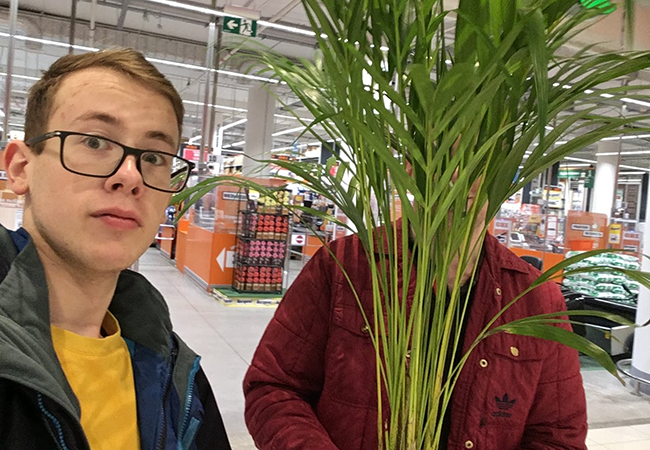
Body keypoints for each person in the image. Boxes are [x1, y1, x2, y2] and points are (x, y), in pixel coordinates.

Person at [0, 48, 230, 450]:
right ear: (21, 168)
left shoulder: (176, 372)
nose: (130, 176)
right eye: (94, 141)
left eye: (154, 157)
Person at [244, 185, 588, 449]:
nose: (460, 173)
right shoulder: (344, 267)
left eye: (479, 152)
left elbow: (559, 435)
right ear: (411, 159)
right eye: (443, 147)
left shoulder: (536, 298)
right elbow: (273, 387)